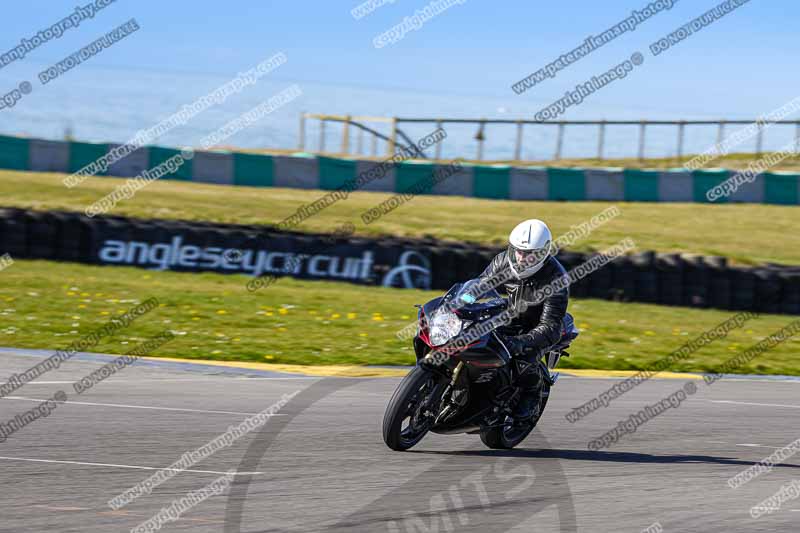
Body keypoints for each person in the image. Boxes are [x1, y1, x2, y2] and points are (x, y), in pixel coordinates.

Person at [477, 219, 569, 419]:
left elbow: (550, 326)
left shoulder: (556, 279)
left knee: (523, 356)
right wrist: (459, 303)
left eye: (529, 254)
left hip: (536, 327)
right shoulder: (502, 261)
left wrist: (520, 342)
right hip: (508, 316)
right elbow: (479, 288)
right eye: (519, 251)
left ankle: (531, 393)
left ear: (543, 253)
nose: (521, 258)